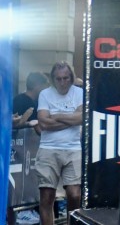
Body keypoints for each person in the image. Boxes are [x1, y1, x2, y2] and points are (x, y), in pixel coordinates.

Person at [34, 62, 82, 225]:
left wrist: (56, 116)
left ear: (71, 78)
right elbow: (43, 123)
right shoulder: (45, 94)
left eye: (66, 78)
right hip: (48, 148)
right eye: (59, 79)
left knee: (75, 194)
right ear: (53, 79)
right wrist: (70, 119)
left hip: (73, 148)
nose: (62, 82)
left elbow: (82, 118)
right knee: (47, 196)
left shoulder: (79, 93)